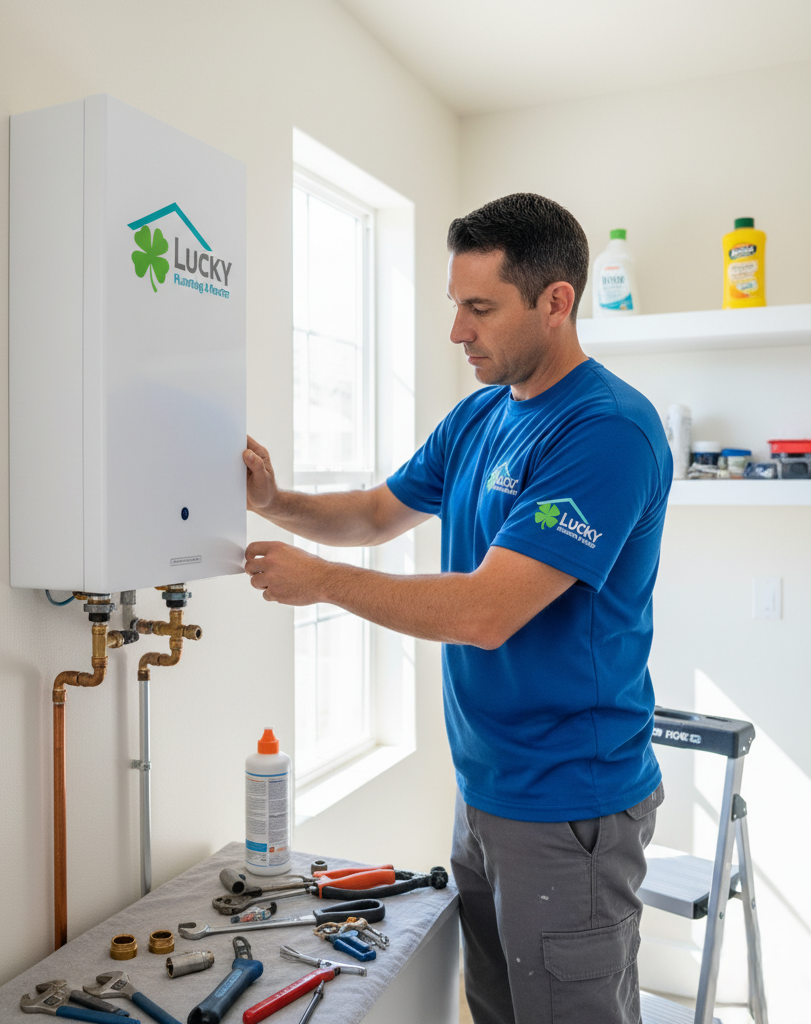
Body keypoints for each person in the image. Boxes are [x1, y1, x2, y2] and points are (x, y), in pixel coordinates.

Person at [243, 192, 671, 1024]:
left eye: (480, 308)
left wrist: (321, 581)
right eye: (455, 305)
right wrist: (274, 501)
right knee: (495, 1011)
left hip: (568, 806)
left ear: (557, 302)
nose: (457, 332)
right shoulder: (481, 416)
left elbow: (486, 613)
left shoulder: (606, 430)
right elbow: (375, 513)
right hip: (483, 790)